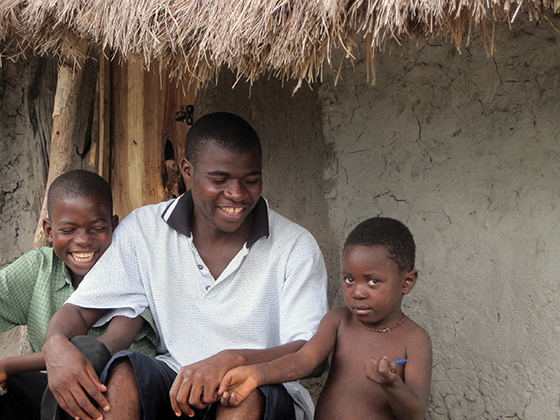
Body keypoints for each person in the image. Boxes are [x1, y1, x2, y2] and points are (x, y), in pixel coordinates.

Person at [42, 112, 328, 420]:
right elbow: (81, 310)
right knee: (125, 372)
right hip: (177, 382)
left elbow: (312, 352)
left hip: (259, 388)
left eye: (251, 180)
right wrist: (55, 344)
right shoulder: (145, 229)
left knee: (242, 398)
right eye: (219, 180)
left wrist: (234, 359)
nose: (237, 194)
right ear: (188, 171)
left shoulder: (295, 246)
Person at [218, 217, 433, 420]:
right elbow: (304, 361)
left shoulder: (415, 340)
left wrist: (392, 385)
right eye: (349, 279)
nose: (357, 292)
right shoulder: (338, 321)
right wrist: (256, 374)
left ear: (407, 282)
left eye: (373, 281)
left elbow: (415, 414)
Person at [0, 170, 157, 420]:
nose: (83, 240)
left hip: (113, 397)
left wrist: (9, 365)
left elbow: (98, 352)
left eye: (96, 228)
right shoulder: (39, 268)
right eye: (69, 230)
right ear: (49, 231)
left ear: (114, 226)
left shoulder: (131, 277)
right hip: (50, 394)